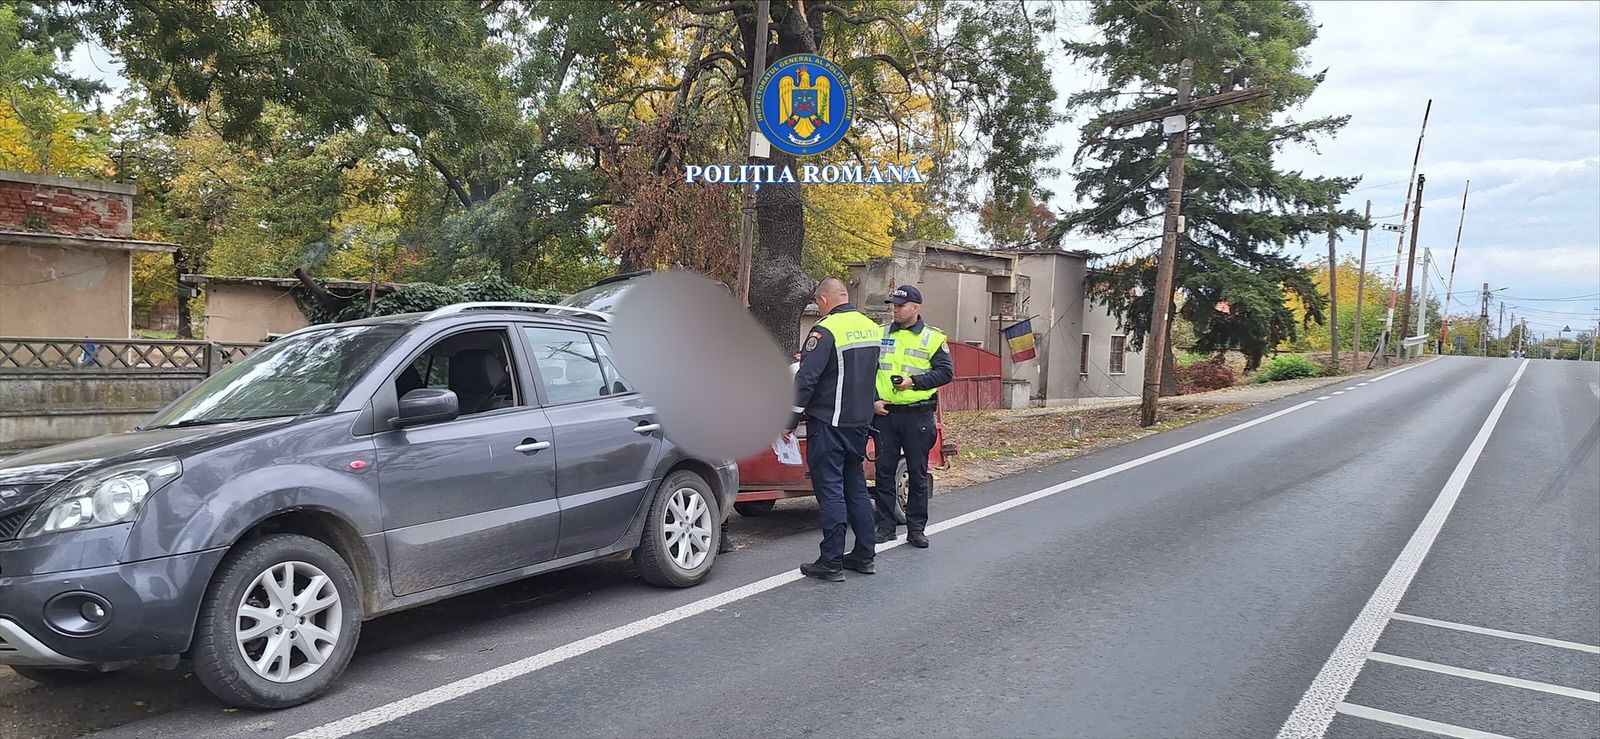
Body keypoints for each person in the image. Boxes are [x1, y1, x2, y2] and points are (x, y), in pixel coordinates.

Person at [786, 277, 882, 581]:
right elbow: (867, 373)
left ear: (823, 300)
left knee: (830, 491)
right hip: (860, 423)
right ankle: (865, 555)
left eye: (818, 304)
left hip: (829, 423)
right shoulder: (871, 327)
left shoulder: (825, 329)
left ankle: (831, 561)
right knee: (856, 488)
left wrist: (789, 420)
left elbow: (806, 379)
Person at [872, 285, 953, 549]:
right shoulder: (880, 334)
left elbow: (945, 373)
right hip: (886, 415)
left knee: (917, 474)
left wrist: (914, 382)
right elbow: (867, 370)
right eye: (893, 305)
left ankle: (916, 528)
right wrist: (873, 399)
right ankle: (885, 526)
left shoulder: (933, 338)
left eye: (900, 305)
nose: (894, 310)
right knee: (884, 473)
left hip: (918, 415)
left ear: (915, 308)